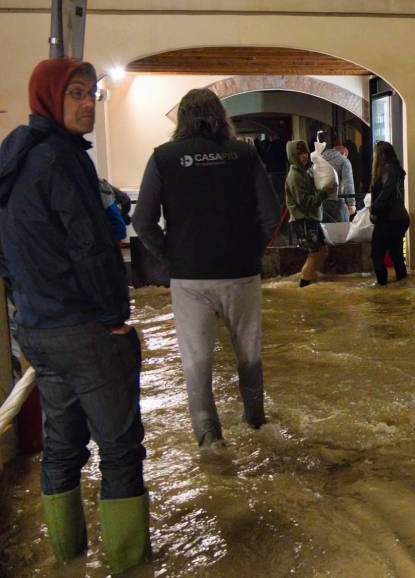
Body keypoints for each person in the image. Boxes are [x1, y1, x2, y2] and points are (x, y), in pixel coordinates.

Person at [0, 58, 149, 573]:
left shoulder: (14, 156)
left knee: (62, 448)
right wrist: (115, 317)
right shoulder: (63, 160)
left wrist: (25, 302)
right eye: (76, 94)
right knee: (121, 448)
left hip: (37, 329)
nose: (88, 104)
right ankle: (129, 564)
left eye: (93, 94)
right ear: (49, 98)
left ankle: (68, 560)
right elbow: (91, 246)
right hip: (85, 329)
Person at [133, 88, 281, 449]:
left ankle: (209, 439)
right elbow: (273, 214)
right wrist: (253, 249)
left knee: (197, 362)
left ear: (182, 119)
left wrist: (170, 256)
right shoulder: (245, 155)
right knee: (249, 352)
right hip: (241, 272)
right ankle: (257, 425)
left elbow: (142, 221)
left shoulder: (164, 158)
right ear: (220, 116)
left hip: (190, 276)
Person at [285, 139, 335, 287]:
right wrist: (324, 194)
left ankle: (313, 281)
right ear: (293, 155)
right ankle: (304, 286)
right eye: (300, 153)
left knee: (321, 250)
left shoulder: (304, 173)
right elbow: (306, 202)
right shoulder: (295, 176)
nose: (304, 156)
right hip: (304, 221)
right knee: (314, 253)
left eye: (305, 152)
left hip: (310, 219)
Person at [368, 141, 409, 285]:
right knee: (396, 254)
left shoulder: (387, 170)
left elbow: (386, 193)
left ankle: (381, 287)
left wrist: (373, 209)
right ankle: (402, 286)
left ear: (380, 155)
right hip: (400, 218)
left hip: (389, 219)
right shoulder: (397, 170)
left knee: (376, 254)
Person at [321, 138, 356, 222]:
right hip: (337, 202)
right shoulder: (344, 161)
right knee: (341, 231)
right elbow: (348, 183)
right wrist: (351, 204)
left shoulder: (319, 159)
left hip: (321, 203)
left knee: (325, 232)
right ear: (344, 153)